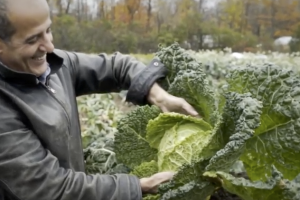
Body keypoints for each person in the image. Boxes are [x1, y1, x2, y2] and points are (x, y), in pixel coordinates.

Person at [0, 0, 199, 199]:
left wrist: (159, 96)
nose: (50, 46)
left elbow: (117, 66)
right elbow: (50, 189)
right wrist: (140, 186)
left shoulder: (57, 64)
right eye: (33, 40)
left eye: (48, 30)